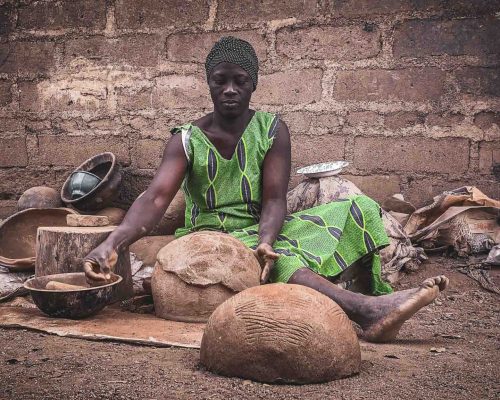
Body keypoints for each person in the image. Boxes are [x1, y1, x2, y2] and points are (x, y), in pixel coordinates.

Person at [84, 37, 448, 343]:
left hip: (261, 229)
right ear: (208, 82)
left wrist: (267, 241)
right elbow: (155, 198)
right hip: (210, 240)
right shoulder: (186, 139)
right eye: (219, 81)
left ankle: (355, 288)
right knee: (285, 262)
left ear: (253, 83)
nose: (229, 90)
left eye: (239, 81)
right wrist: (113, 242)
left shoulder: (272, 130)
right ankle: (364, 311)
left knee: (357, 207)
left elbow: (275, 199)